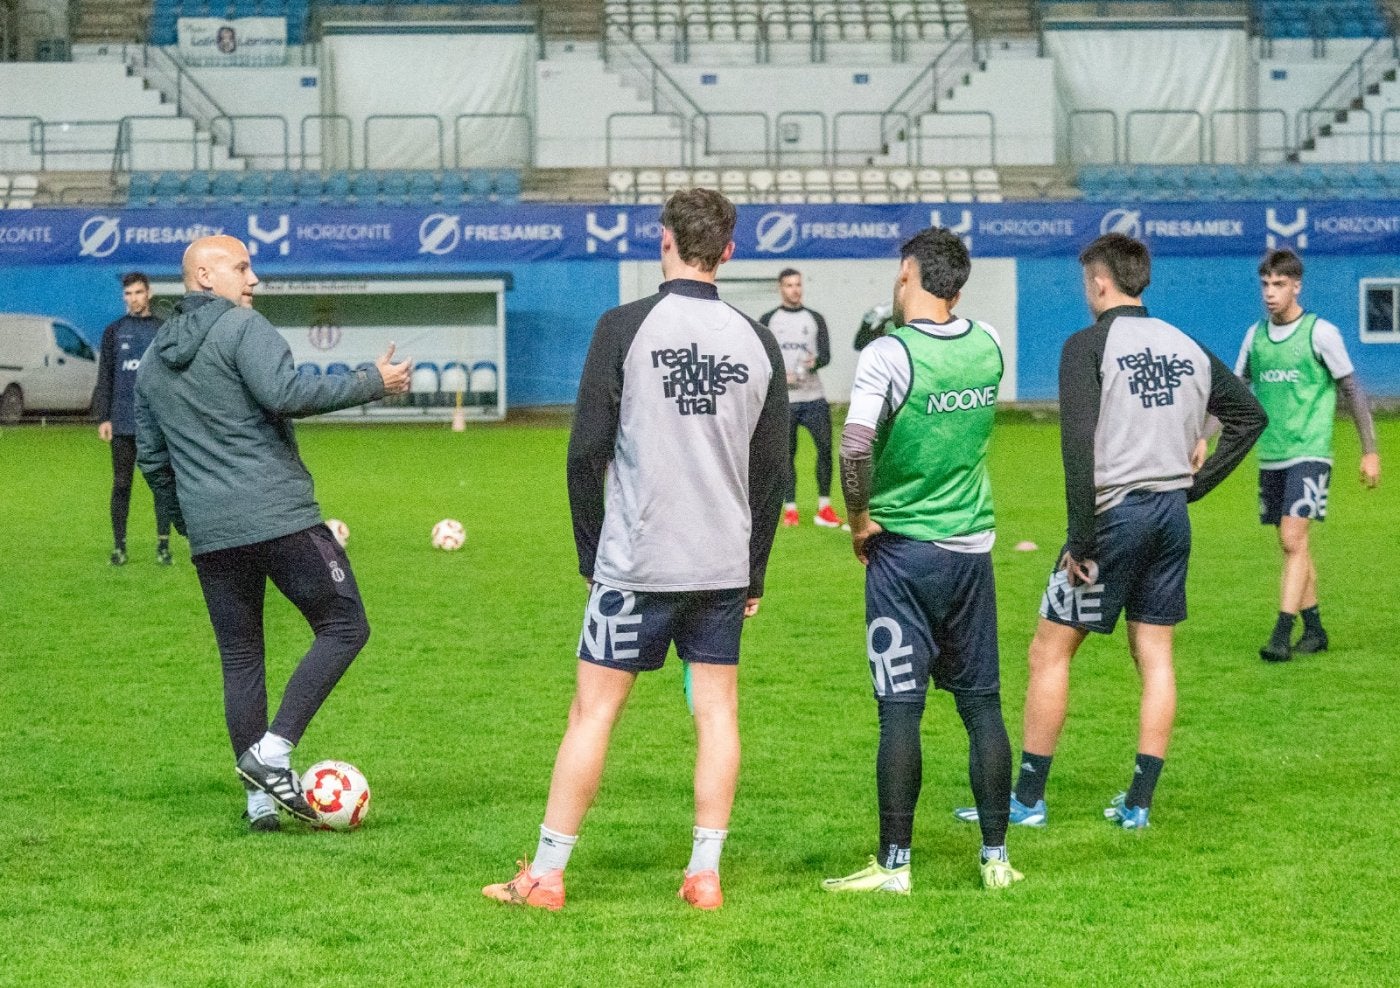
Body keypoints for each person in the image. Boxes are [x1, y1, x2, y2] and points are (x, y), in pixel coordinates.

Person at [483, 188, 788, 912]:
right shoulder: (757, 338)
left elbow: (586, 451)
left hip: (636, 561)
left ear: (665, 242)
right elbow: (771, 472)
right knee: (717, 713)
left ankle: (548, 876)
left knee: (592, 714)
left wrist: (594, 559)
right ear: (730, 250)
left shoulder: (623, 327)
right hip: (719, 563)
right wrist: (755, 572)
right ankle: (704, 873)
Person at [957, 233, 1265, 834]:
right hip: (1171, 519)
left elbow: (1078, 448)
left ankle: (1027, 800)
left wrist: (1081, 539)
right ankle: (1138, 804)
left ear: (1100, 281)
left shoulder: (1087, 346)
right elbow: (1251, 416)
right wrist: (1194, 488)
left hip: (1113, 519)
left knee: (1049, 650)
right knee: (1154, 657)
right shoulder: (1187, 345)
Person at [135, 235, 411, 832]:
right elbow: (286, 394)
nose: (253, 279)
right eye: (242, 267)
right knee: (345, 625)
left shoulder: (154, 359)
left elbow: (153, 462)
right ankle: (274, 753)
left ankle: (259, 798)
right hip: (279, 516)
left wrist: (191, 519)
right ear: (205, 276)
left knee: (241, 657)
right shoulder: (242, 329)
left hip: (212, 532)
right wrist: (372, 380)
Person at [821, 227, 1023, 895]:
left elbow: (853, 449)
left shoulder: (888, 354)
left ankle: (895, 865)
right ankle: (996, 859)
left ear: (908, 272)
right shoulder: (988, 344)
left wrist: (858, 520)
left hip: (904, 553)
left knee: (900, 711)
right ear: (958, 286)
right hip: (971, 549)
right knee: (983, 706)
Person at [1234, 249, 1380, 662]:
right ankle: (1314, 629)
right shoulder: (1255, 336)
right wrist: (1204, 438)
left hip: (1311, 451)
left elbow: (1352, 390)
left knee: (1292, 537)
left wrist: (1369, 452)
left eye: (1279, 284)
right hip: (1273, 453)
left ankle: (1281, 634)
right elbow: (1237, 391)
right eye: (1264, 284)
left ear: (1297, 286)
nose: (1269, 292)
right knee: (1294, 545)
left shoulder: (1320, 332)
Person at [92, 272, 171, 566]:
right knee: (122, 484)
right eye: (128, 294)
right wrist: (104, 417)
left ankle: (163, 547)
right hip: (123, 422)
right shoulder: (115, 331)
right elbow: (106, 376)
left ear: (148, 293)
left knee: (162, 484)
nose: (133, 299)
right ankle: (119, 547)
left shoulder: (163, 329)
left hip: (156, 422)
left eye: (138, 293)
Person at [759, 268, 842, 529]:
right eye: (789, 285)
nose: (794, 289)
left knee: (826, 450)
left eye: (798, 284)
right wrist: (778, 376)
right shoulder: (769, 319)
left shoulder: (815, 318)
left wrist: (813, 363)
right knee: (786, 455)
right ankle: (790, 508)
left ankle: (824, 506)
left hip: (814, 397)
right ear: (780, 288)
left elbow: (826, 356)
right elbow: (762, 360)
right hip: (785, 401)